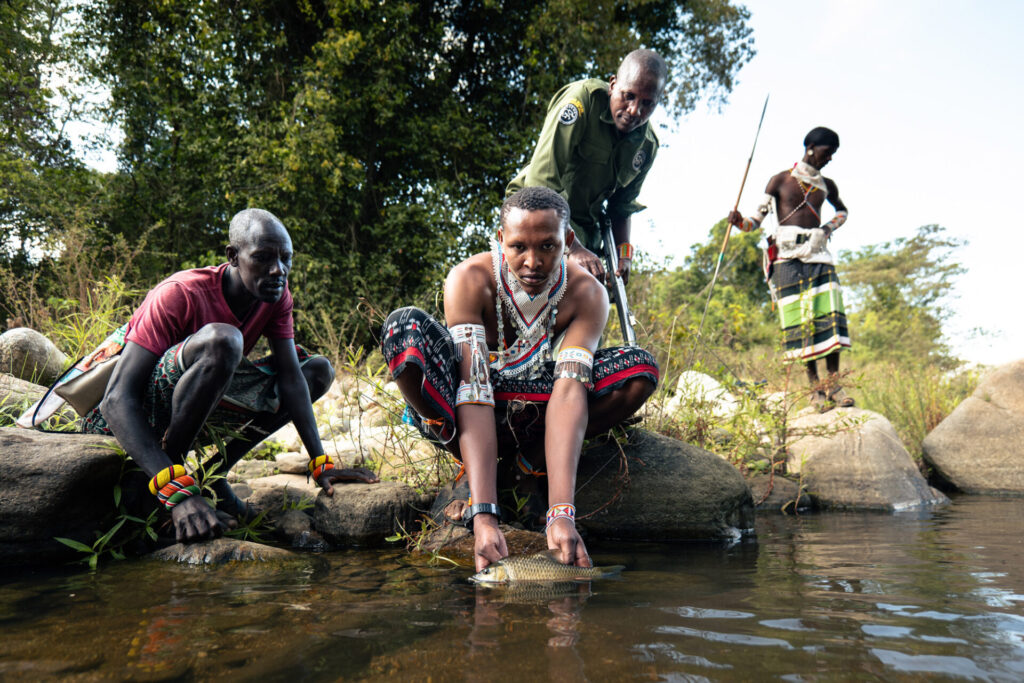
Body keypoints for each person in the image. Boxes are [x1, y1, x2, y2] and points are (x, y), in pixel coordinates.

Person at [381, 187, 659, 571]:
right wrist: (485, 517)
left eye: (548, 246)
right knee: (403, 330)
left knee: (638, 369)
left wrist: (562, 515)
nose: (533, 262)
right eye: (517, 247)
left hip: (540, 404)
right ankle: (474, 468)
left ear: (568, 241)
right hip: (468, 405)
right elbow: (474, 389)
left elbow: (569, 391)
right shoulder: (469, 279)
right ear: (500, 240)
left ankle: (528, 466)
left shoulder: (587, 292)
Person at [82, 208, 378, 543]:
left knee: (317, 371)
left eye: (286, 258)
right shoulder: (180, 293)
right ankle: (170, 486)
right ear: (233, 256)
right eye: (262, 257)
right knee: (224, 341)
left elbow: (292, 379)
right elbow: (116, 399)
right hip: (131, 419)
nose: (278, 270)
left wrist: (320, 463)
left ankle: (212, 475)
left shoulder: (275, 295)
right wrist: (176, 492)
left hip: (195, 410)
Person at [507, 49, 668, 286]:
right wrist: (572, 247)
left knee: (597, 294)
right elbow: (540, 186)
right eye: (629, 96)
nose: (635, 110)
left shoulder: (647, 145)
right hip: (533, 210)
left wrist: (623, 256)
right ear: (613, 85)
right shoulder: (581, 102)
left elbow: (621, 207)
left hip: (584, 230)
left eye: (647, 104)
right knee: (555, 290)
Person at [728, 126, 853, 410]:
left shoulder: (826, 185)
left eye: (833, 154)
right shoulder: (780, 181)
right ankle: (815, 389)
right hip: (786, 259)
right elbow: (753, 223)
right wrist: (738, 222)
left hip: (818, 256)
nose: (829, 158)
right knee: (800, 321)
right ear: (810, 147)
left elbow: (843, 212)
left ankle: (834, 385)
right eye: (827, 152)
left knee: (828, 317)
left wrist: (827, 229)